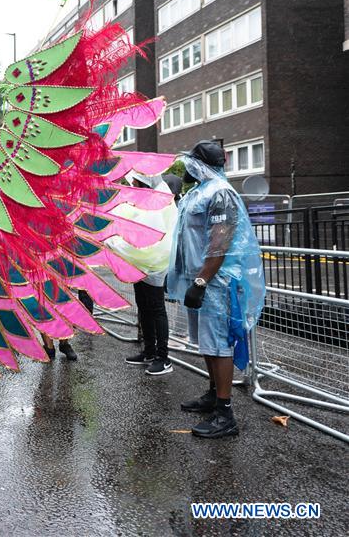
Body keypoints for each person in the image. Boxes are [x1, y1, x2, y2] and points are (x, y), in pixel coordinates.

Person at [167, 140, 265, 439]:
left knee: (219, 343)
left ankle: (225, 413)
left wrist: (201, 281)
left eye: (190, 164)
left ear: (200, 164)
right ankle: (213, 393)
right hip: (198, 278)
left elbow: (220, 241)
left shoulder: (220, 193)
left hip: (215, 282)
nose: (186, 170)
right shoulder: (199, 191)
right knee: (206, 342)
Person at [108, 173, 178, 376]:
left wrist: (114, 242)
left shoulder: (158, 203)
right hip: (141, 263)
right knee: (144, 306)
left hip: (153, 264)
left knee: (156, 308)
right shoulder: (147, 201)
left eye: (136, 182)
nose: (133, 185)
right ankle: (149, 351)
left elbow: (146, 235)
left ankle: (163, 358)